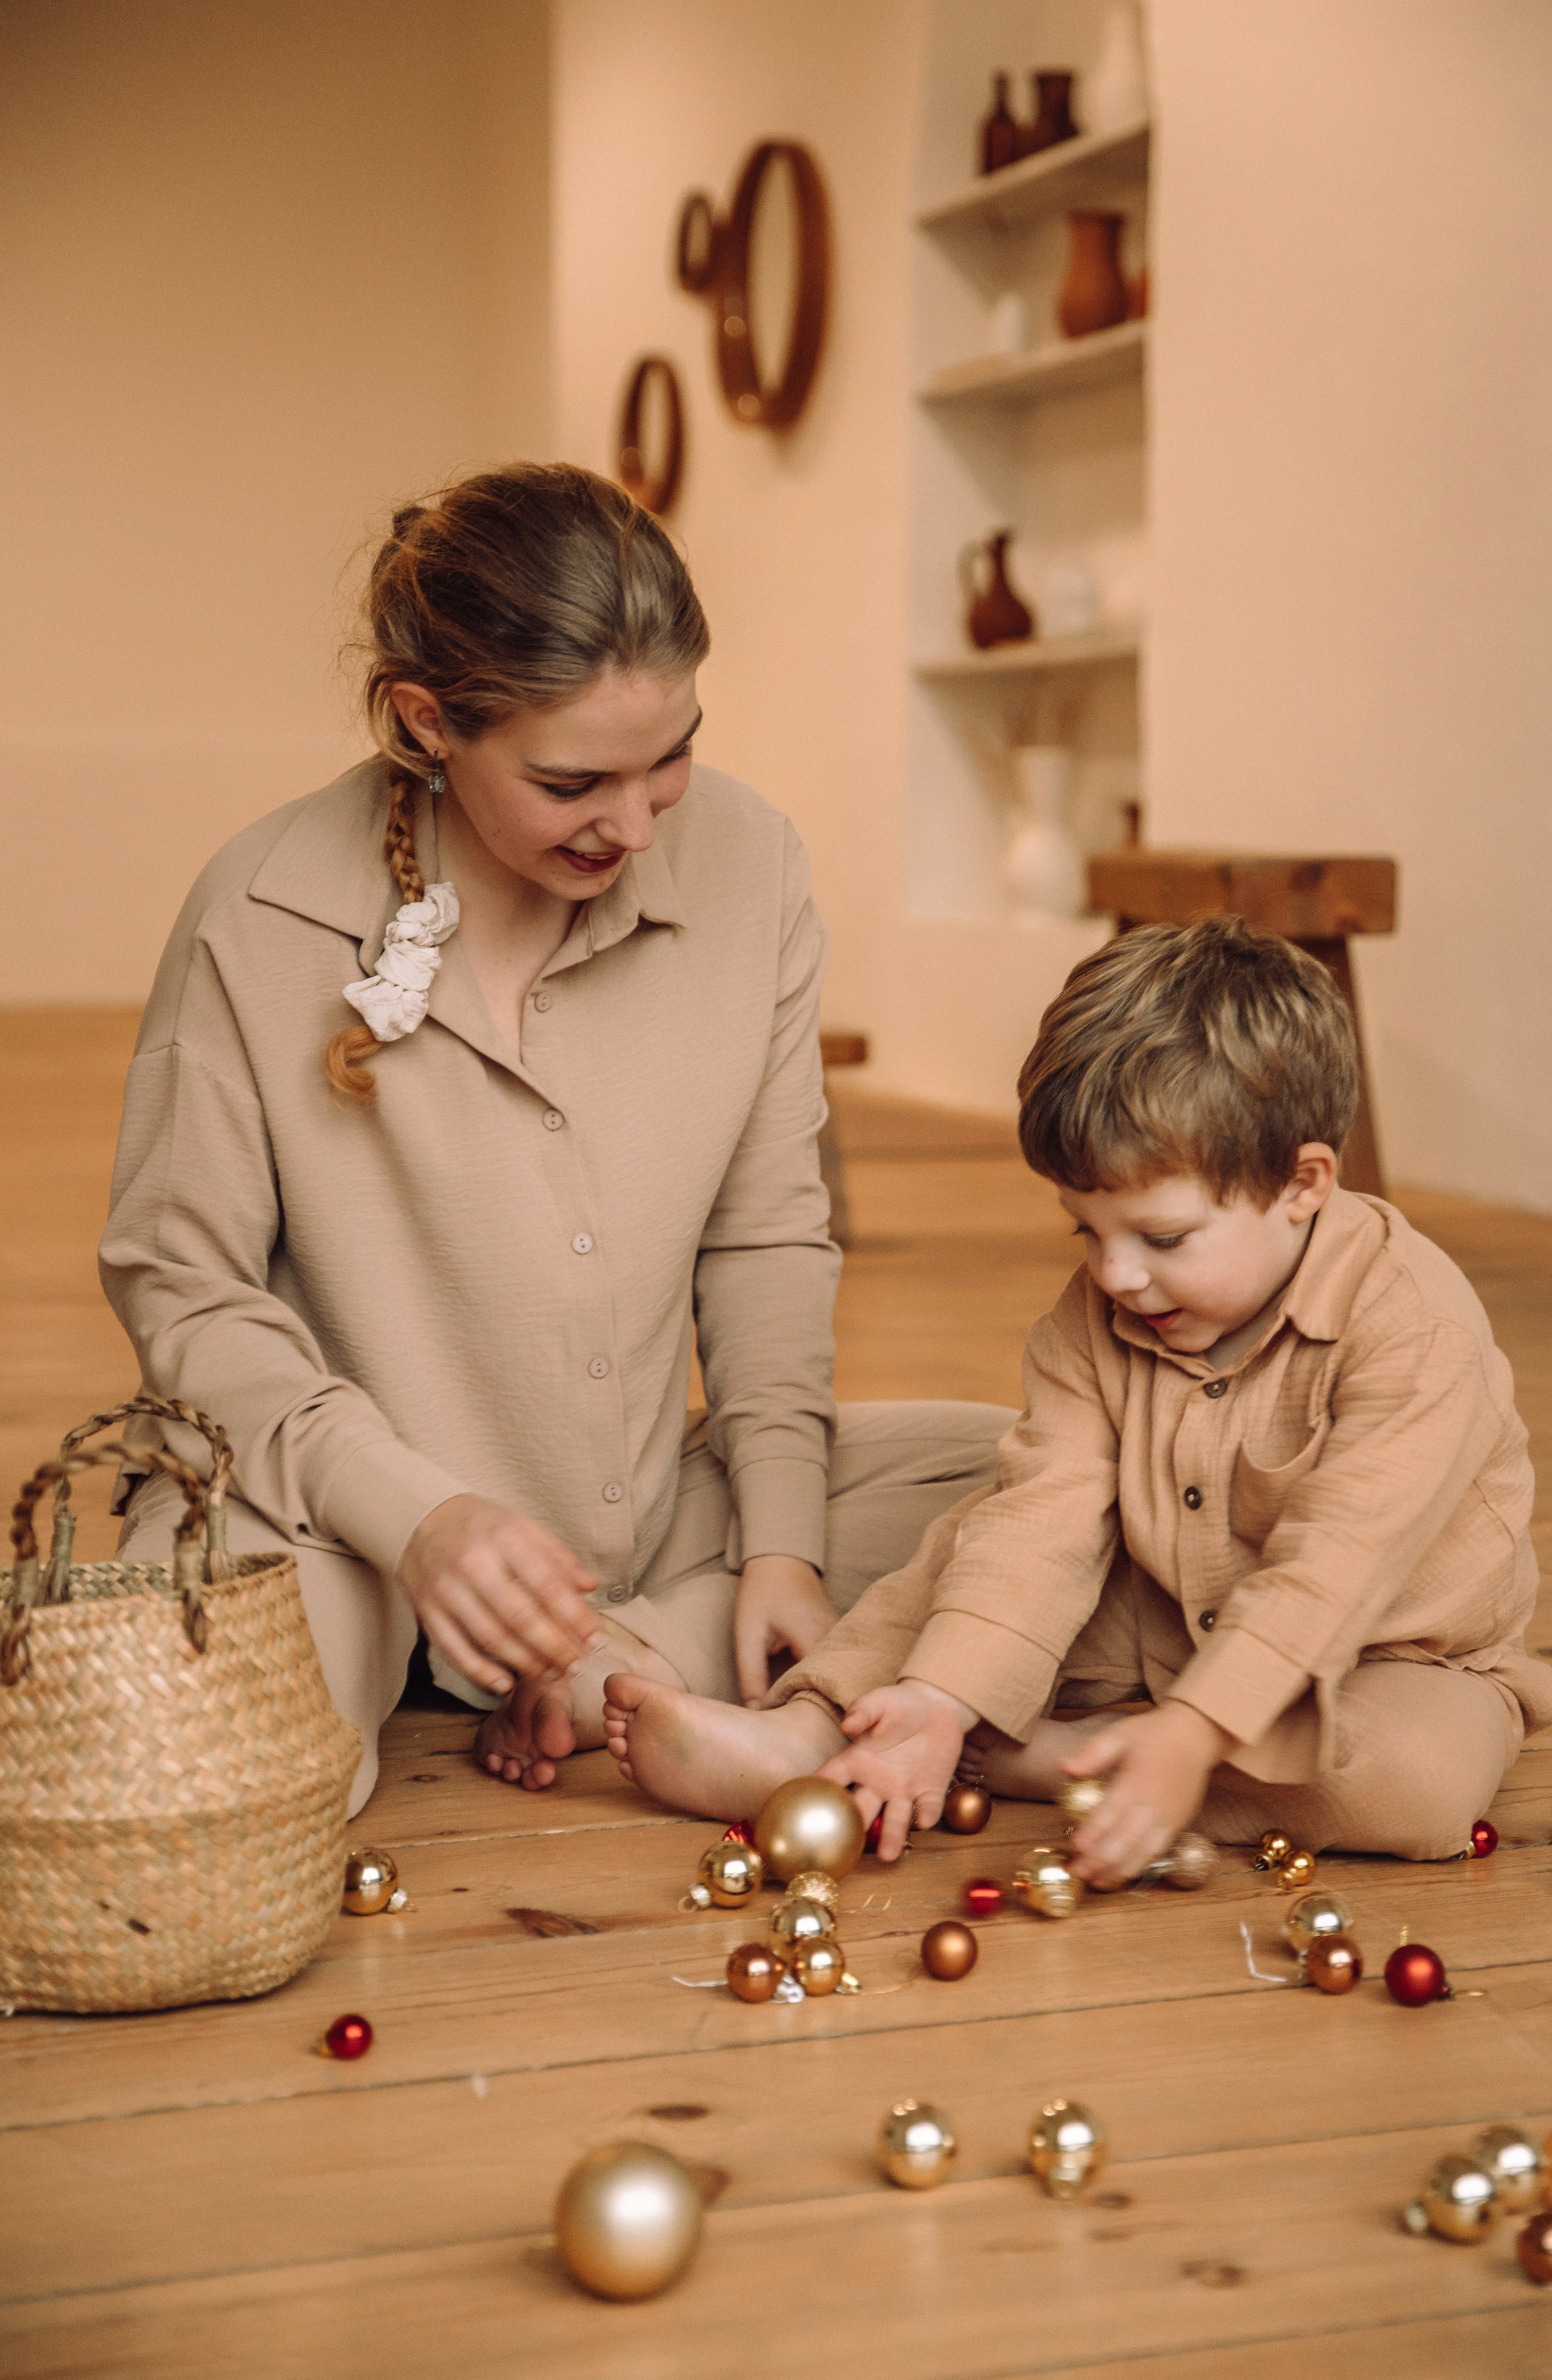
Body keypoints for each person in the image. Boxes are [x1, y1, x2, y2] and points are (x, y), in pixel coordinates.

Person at [100, 463, 1012, 1814]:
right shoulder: (260, 912)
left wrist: (779, 1543)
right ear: (427, 723)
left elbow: (765, 1233)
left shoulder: (752, 864)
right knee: (184, 1757)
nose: (636, 825)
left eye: (674, 758)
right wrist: (417, 1519)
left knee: (1036, 1481)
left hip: (647, 1516)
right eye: (575, 779)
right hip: (334, 1522)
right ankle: (627, 1658)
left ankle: (624, 1653)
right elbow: (184, 1289)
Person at [605, 918, 1552, 1883]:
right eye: (1086, 1231)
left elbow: (1337, 1567)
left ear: (1303, 1185)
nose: (1117, 1275)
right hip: (1153, 1606)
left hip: (1388, 1656)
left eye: (1163, 1237)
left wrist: (1194, 1730)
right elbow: (1046, 1522)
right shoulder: (1096, 1316)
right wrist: (941, 1694)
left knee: (1419, 1782)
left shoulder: (1416, 1329)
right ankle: (829, 1727)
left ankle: (1055, 1757)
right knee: (970, 1548)